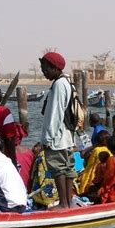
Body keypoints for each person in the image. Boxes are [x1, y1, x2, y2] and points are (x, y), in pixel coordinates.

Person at [40, 51, 76, 209]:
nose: (44, 72)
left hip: (57, 137)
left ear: (54, 68)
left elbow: (55, 113)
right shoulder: (65, 82)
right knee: (67, 168)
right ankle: (68, 202)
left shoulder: (60, 84)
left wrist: (48, 138)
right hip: (66, 136)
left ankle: (63, 203)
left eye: (45, 68)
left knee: (58, 168)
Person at [79, 130, 112, 194]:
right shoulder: (110, 150)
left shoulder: (97, 150)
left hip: (96, 177)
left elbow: (89, 168)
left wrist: (83, 185)